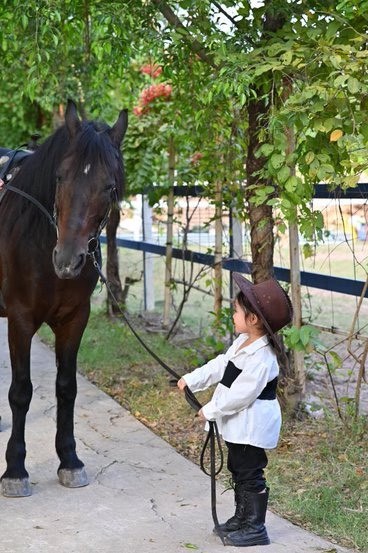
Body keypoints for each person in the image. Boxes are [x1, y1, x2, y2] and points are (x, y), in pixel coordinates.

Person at [177, 273, 293, 547]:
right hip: (240, 425)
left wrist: (211, 409)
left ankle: (255, 527)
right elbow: (221, 365)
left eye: (236, 311)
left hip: (252, 426)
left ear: (253, 319)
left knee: (250, 472)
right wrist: (191, 379)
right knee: (238, 469)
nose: (233, 315)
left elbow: (241, 395)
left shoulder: (262, 357)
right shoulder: (243, 343)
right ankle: (242, 517)